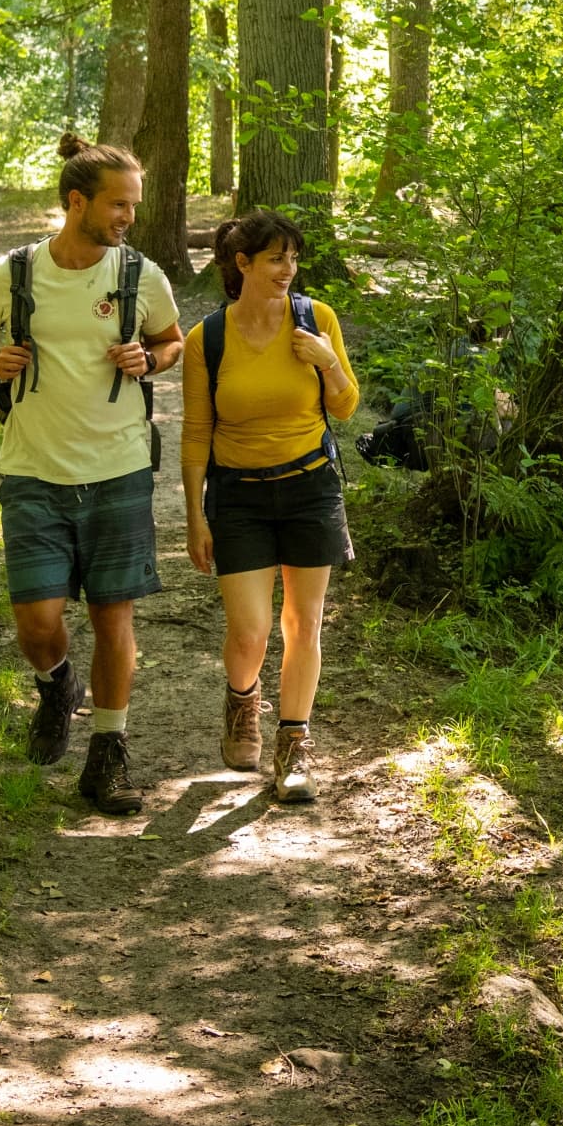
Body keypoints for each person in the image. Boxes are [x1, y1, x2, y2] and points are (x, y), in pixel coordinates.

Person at [0, 134, 183, 816]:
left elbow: (173, 340)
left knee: (115, 618)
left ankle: (107, 757)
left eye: (133, 206)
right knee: (37, 620)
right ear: (76, 201)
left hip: (120, 470)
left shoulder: (141, 276)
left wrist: (153, 360)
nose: (128, 218)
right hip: (32, 470)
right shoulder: (13, 275)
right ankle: (56, 685)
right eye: (118, 205)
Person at [182, 211, 359, 804]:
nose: (288, 270)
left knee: (304, 623)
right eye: (276, 259)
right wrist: (194, 516)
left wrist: (326, 360)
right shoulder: (206, 338)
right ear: (244, 264)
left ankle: (293, 746)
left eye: (293, 259)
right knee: (251, 631)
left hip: (310, 488)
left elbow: (347, 405)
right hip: (238, 496)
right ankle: (241, 702)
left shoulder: (317, 320)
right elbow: (195, 434)